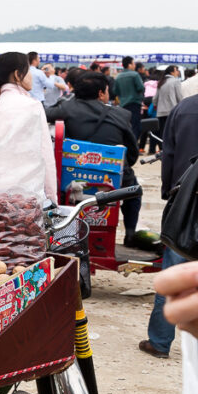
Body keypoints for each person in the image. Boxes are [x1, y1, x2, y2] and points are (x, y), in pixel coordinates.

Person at [45, 70, 142, 239]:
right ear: (101, 93)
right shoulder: (121, 115)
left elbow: (44, 115)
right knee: (134, 191)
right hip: (112, 180)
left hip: (73, 180)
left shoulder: (66, 108)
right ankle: (130, 234)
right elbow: (132, 154)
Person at [141, 90, 198, 358]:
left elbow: (169, 155)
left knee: (175, 274)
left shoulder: (185, 107)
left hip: (185, 202)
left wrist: (169, 193)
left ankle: (160, 342)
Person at [0, 52, 58, 203]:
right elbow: (46, 155)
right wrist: (53, 198)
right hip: (26, 196)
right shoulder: (32, 106)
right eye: (29, 71)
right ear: (17, 75)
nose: (32, 76)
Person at [112, 55, 145, 139]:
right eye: (133, 63)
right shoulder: (135, 75)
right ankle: (134, 147)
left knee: (126, 125)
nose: (134, 65)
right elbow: (141, 87)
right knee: (135, 126)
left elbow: (115, 91)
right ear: (129, 65)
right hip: (134, 103)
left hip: (123, 105)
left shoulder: (118, 76)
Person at [155, 65, 184, 146]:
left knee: (163, 133)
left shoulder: (161, 81)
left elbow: (154, 99)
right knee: (172, 133)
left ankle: (162, 150)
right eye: (177, 70)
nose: (178, 72)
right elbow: (179, 97)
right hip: (172, 111)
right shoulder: (176, 81)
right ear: (172, 72)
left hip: (160, 112)